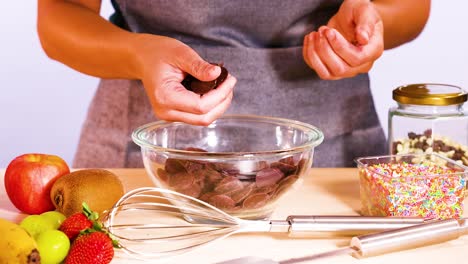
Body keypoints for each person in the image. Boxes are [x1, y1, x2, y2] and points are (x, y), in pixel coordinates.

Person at [37, 0, 430, 168]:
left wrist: (369, 23)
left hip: (333, 156)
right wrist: (139, 55)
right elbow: (59, 17)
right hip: (142, 152)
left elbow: (411, 7)